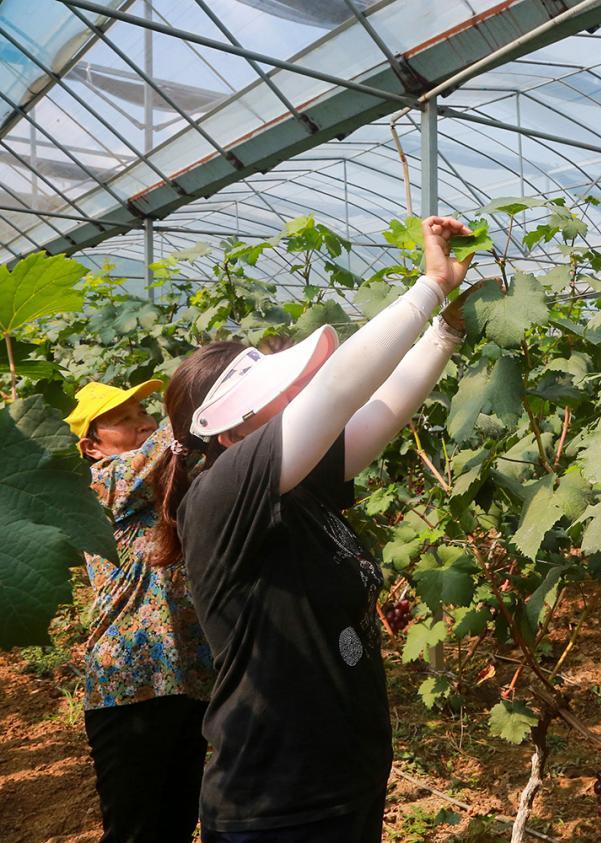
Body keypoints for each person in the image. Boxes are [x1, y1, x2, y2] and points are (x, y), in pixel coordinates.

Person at [149, 216, 473, 841]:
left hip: (341, 787)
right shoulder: (222, 494)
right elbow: (336, 392)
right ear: (232, 426)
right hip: (275, 806)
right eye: (277, 390)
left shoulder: (294, 484)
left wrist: (446, 331)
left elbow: (378, 411)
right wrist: (429, 285)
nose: (297, 390)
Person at [65, 379, 216, 843]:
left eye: (142, 411)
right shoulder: (99, 484)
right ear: (92, 446)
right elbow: (175, 436)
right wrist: (209, 382)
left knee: (175, 823)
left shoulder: (170, 477)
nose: (143, 422)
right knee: (134, 830)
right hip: (131, 680)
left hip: (190, 676)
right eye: (124, 419)